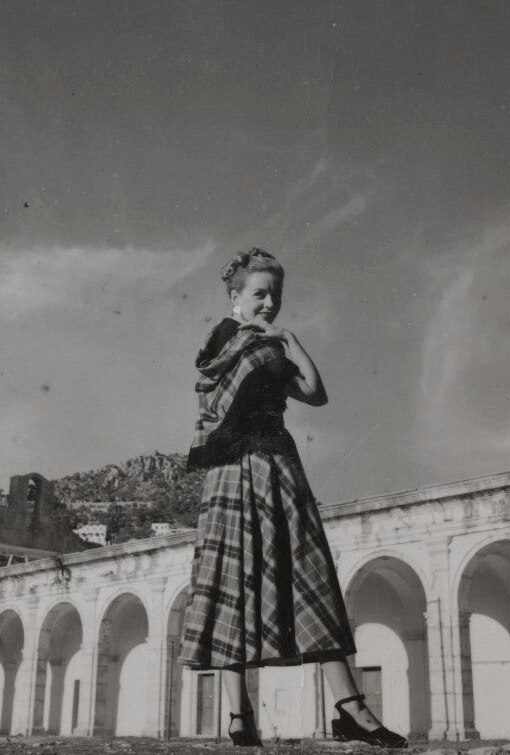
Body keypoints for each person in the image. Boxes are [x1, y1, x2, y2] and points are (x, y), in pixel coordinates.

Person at [178, 247, 407, 749]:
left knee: (306, 572)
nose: (269, 304)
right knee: (236, 581)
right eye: (259, 294)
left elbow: (314, 392)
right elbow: (312, 392)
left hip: (266, 470)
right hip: (244, 470)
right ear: (234, 296)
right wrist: (280, 344)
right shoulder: (234, 346)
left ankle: (345, 708)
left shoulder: (259, 346)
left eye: (275, 296)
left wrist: (291, 339)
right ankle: (248, 717)